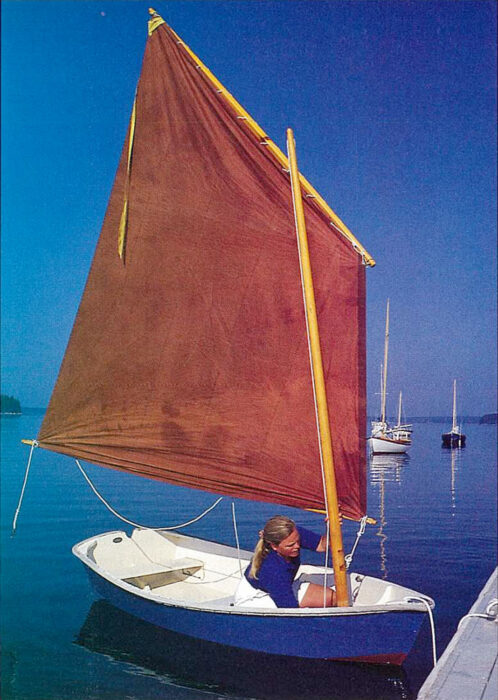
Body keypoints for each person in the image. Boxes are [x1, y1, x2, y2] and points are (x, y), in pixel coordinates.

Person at [234, 515, 336, 608]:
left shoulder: (292, 534)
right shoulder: (272, 570)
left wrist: (332, 527)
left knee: (332, 598)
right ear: (274, 546)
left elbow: (321, 545)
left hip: (282, 585)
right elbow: (289, 610)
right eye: (290, 545)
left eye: (298, 541)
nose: (297, 546)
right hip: (255, 599)